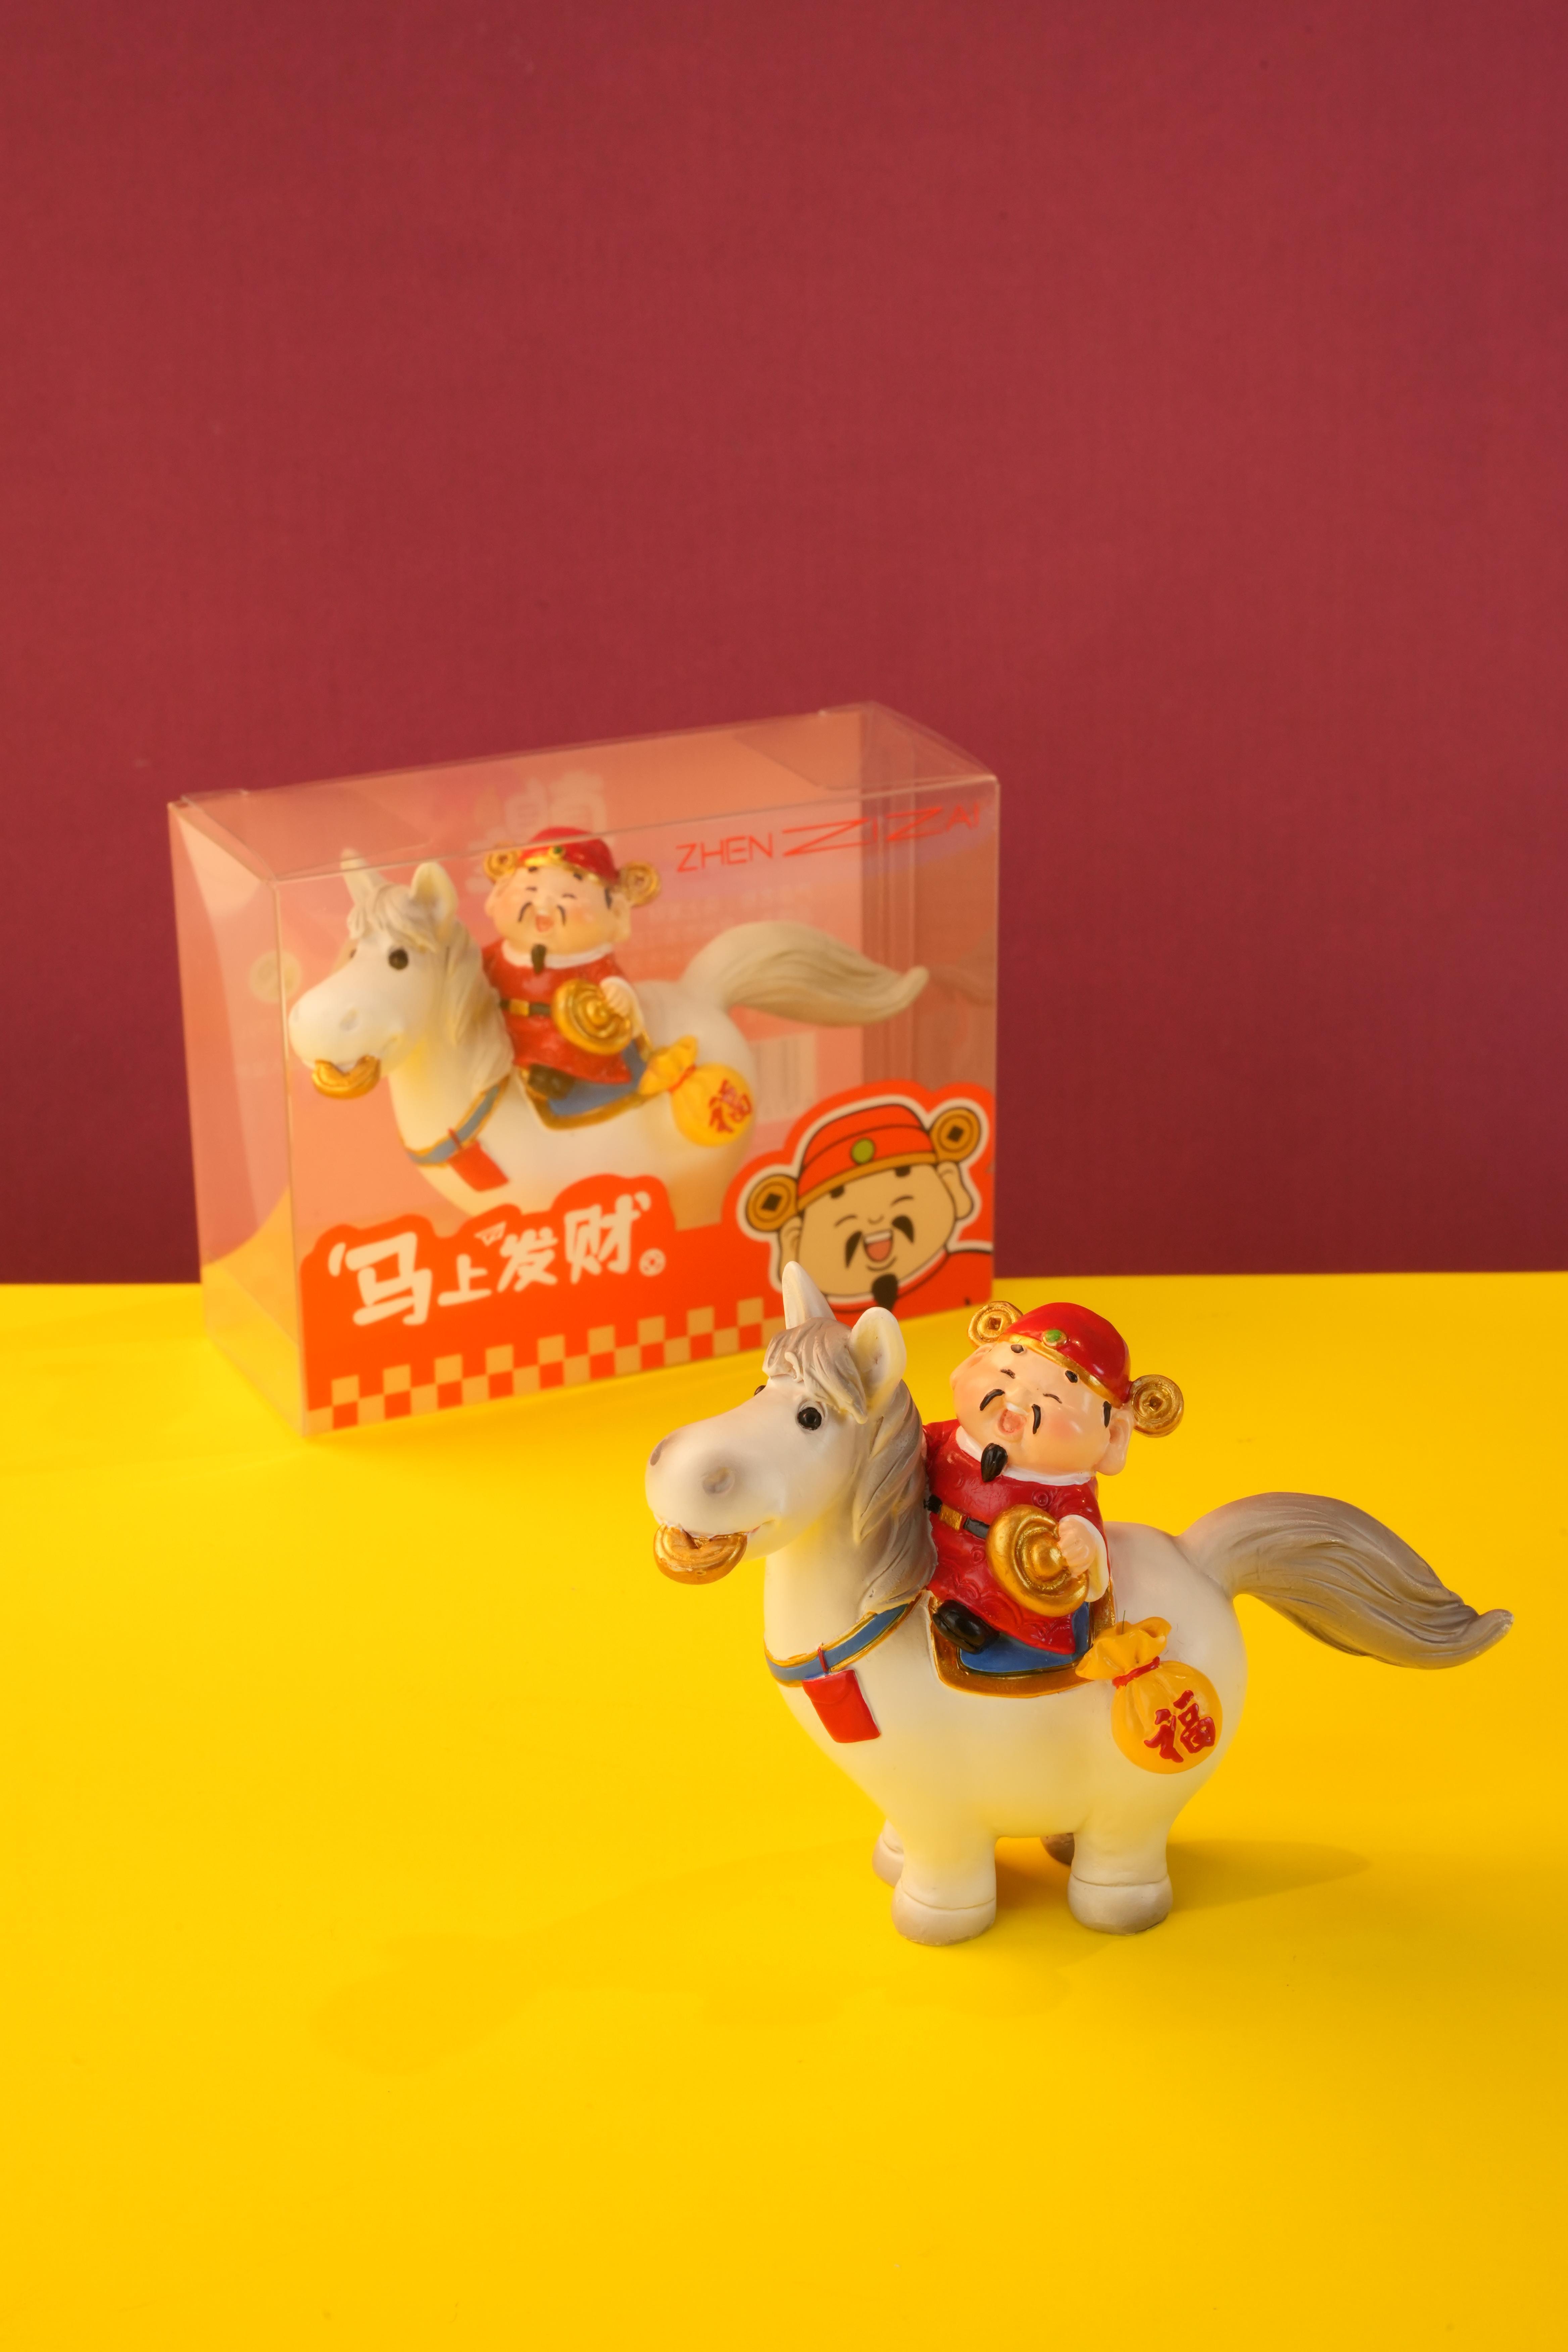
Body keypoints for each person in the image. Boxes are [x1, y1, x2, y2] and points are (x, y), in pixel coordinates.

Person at [924, 1300, 1183, 1684]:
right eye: (1007, 1374)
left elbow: (1082, 1525)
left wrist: (1081, 1542)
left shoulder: (1065, 1488)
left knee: (1008, 1604)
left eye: (1052, 1399)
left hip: (998, 1576)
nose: (1017, 1399)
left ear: (1112, 1437)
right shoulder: (946, 1438)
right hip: (924, 1539)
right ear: (972, 1364)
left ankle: (984, 1626)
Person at [481, 826, 695, 1122]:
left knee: (567, 1060)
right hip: (501, 1033)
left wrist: (618, 992)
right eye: (531, 890)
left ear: (613, 914)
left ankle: (560, 1082)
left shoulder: (588, 960)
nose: (543, 905)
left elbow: (610, 977)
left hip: (559, 1040)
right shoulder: (497, 954)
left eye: (568, 896)